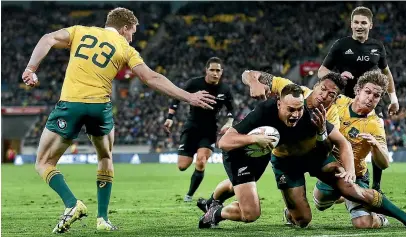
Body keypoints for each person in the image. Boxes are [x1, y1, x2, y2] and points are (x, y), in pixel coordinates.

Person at [21, 7, 216, 233]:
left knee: (43, 163)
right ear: (124, 28)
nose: (133, 37)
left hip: (71, 104)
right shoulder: (125, 47)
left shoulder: (80, 31)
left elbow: (48, 38)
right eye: (132, 31)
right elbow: (151, 77)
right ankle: (102, 219)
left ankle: (72, 204)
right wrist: (188, 96)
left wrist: (31, 68)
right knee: (105, 157)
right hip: (100, 109)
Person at [199, 83, 406, 230]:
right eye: (290, 109)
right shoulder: (264, 112)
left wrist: (349, 169)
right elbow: (225, 142)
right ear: (279, 103)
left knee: (351, 189)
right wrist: (254, 139)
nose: (296, 114)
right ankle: (215, 209)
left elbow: (341, 142)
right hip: (273, 160)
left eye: (299, 108)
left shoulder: (311, 113)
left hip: (314, 158)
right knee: (299, 220)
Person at [196, 71, 344, 214]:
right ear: (316, 85)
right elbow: (249, 73)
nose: (324, 96)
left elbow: (328, 149)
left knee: (237, 183)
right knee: (246, 198)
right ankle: (214, 212)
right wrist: (254, 82)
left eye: (331, 94)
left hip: (273, 151)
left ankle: (210, 203)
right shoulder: (290, 90)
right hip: (256, 147)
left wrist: (322, 133)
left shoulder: (331, 116)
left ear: (336, 98)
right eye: (323, 89)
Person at [318, 6, 398, 194]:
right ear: (351, 24)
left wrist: (393, 98)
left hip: (368, 101)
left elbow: (386, 74)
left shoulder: (377, 46)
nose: (359, 26)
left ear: (370, 25)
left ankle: (376, 187)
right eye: (356, 22)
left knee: (376, 137)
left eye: (363, 22)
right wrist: (337, 75)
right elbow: (322, 71)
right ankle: (326, 178)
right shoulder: (340, 45)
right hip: (342, 103)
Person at [313, 70, 393, 229]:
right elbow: (318, 94)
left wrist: (376, 146)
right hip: (333, 172)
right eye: (367, 92)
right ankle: (344, 196)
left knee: (363, 224)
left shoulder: (375, 124)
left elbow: (384, 163)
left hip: (356, 176)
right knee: (320, 204)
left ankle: (380, 218)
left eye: (376, 96)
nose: (370, 98)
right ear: (358, 90)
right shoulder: (340, 101)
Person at [163, 57, 234, 202]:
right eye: (212, 70)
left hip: (209, 130)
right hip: (191, 128)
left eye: (218, 70)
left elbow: (232, 110)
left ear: (221, 72)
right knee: (182, 166)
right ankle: (190, 154)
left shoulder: (225, 89)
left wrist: (229, 122)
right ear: (206, 70)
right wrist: (170, 117)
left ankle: (189, 195)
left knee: (201, 161)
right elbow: (177, 97)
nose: (215, 73)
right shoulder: (194, 83)